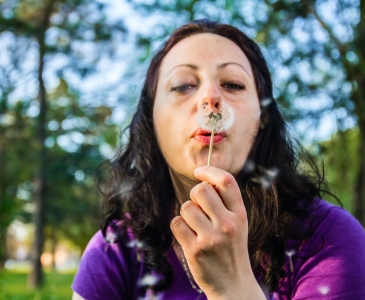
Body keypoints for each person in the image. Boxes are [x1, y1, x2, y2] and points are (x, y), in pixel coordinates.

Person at [71, 19, 365, 299]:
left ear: (262, 116)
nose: (210, 97)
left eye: (233, 84)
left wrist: (231, 289)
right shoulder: (117, 248)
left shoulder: (330, 240)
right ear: (151, 119)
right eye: (183, 85)